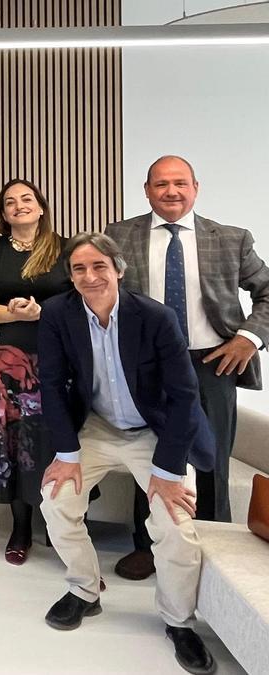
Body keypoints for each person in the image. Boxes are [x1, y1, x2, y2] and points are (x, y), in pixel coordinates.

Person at [38, 232, 216, 675]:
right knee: (57, 502)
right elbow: (51, 385)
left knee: (174, 525)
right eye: (79, 268)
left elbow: (183, 395)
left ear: (118, 269)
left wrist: (168, 470)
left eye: (99, 266)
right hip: (95, 425)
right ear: (70, 277)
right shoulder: (59, 313)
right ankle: (84, 589)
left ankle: (178, 622)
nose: (90, 276)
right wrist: (67, 452)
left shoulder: (155, 317)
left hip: (153, 429)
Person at [105, 155, 269, 581]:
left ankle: (212, 552)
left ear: (195, 187)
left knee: (210, 458)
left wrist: (247, 339)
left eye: (179, 183)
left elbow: (267, 292)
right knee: (152, 456)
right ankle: (149, 547)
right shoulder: (119, 236)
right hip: (148, 365)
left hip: (212, 362)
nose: (171, 191)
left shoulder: (230, 238)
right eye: (161, 184)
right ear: (147, 190)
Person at [0, 178, 70, 565]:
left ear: (41, 207)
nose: (19, 206)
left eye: (27, 199)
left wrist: (43, 312)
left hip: (56, 360)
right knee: (12, 442)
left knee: (57, 439)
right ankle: (21, 526)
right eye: (10, 202)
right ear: (2, 213)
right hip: (1, 364)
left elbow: (82, 299)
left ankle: (65, 529)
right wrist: (12, 311)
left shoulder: (66, 249)